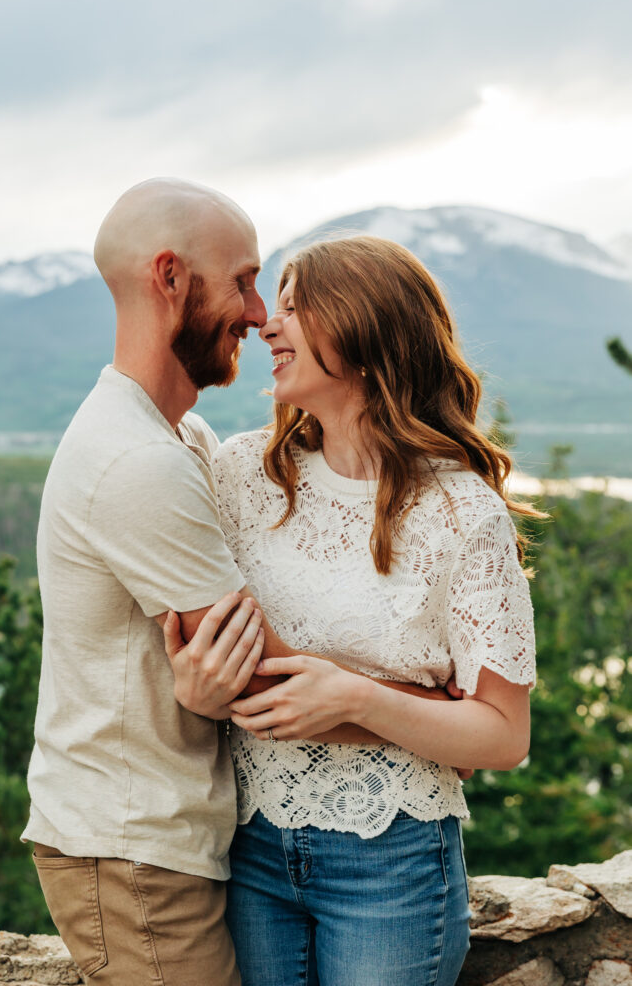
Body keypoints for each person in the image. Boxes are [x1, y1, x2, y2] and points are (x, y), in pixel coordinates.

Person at [23, 179, 453, 986]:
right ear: (170, 278)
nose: (259, 316)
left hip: (172, 837)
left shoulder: (181, 436)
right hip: (133, 847)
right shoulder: (137, 461)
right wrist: (441, 725)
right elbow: (261, 679)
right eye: (245, 282)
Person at [196, 236, 540, 986]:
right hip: (245, 842)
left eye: (294, 308)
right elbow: (215, 657)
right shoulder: (240, 476)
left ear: (360, 333)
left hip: (393, 860)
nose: (267, 326)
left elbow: (502, 734)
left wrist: (353, 695)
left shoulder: (460, 513)